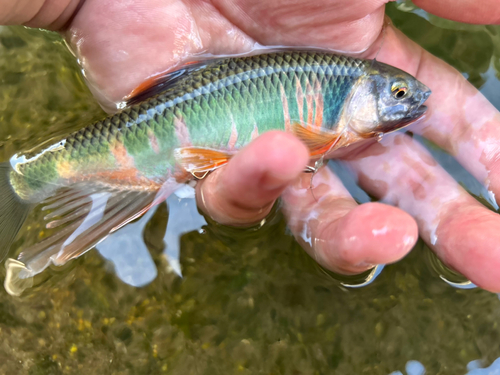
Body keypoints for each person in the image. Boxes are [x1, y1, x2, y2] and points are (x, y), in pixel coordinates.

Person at [1, 0, 500, 291]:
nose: (408, 101)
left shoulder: (340, 95)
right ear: (360, 92)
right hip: (168, 127)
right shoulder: (333, 126)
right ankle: (28, 185)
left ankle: (33, 186)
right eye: (396, 95)